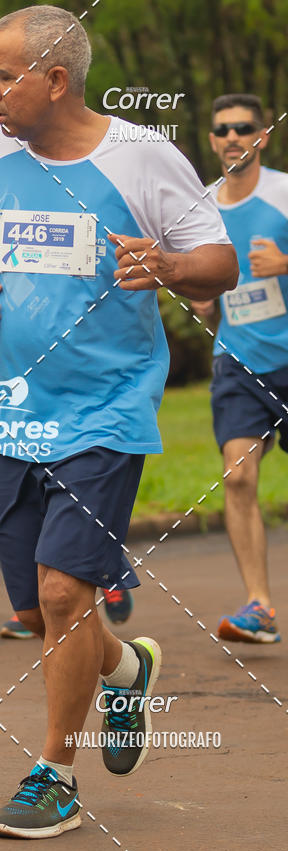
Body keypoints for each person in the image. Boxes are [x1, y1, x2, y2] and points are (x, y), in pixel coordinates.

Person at [0, 5, 237, 839]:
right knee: (42, 610)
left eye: (3, 76)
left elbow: (219, 263)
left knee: (68, 590)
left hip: (109, 408)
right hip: (19, 412)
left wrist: (170, 264)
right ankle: (126, 663)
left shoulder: (142, 157)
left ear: (55, 80)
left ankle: (55, 777)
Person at [192, 94, 288, 644]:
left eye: (243, 128)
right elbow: (198, 276)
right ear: (212, 140)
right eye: (222, 129)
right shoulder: (203, 204)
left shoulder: (282, 192)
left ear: (263, 135)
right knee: (238, 473)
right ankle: (260, 606)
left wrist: (284, 263)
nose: (232, 137)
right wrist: (202, 296)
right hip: (240, 359)